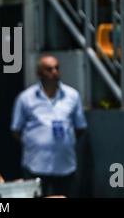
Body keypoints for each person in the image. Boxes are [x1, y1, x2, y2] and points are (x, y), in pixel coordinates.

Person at [11, 55, 87, 197]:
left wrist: (64, 142)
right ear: (39, 73)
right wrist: (35, 143)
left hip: (65, 165)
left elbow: (80, 127)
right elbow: (16, 129)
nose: (54, 72)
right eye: (49, 69)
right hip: (35, 164)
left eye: (57, 68)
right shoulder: (25, 98)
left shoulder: (72, 96)